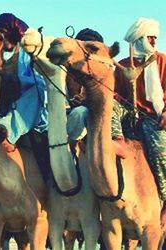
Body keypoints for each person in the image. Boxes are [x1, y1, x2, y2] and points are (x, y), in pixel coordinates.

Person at [112, 17, 166, 225]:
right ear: (139, 39)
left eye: (154, 38)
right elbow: (115, 94)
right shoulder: (123, 65)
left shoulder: (162, 61)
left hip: (153, 117)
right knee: (107, 110)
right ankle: (117, 140)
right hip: (128, 114)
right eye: (149, 38)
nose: (153, 42)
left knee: (160, 150)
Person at [0, 13, 47, 145]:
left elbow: (41, 82)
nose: (1, 39)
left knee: (38, 89)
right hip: (0, 104)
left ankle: (7, 129)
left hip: (27, 108)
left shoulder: (28, 54)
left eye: (3, 35)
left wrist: (18, 80)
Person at [66, 28, 104, 144]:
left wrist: (86, 101)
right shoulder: (65, 69)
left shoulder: (103, 72)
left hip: (89, 117)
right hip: (63, 116)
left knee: (80, 112)